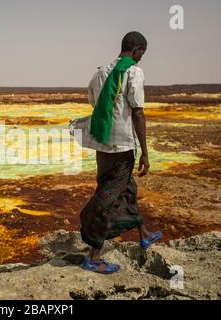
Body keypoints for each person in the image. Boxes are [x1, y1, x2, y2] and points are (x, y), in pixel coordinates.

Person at [80, 31, 162, 274]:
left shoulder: (99, 73)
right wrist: (145, 152)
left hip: (103, 144)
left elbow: (94, 103)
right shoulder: (133, 72)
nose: (141, 59)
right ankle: (93, 257)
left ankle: (144, 235)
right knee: (110, 196)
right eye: (142, 54)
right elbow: (137, 111)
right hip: (123, 146)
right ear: (136, 49)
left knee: (127, 188)